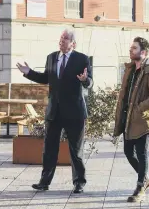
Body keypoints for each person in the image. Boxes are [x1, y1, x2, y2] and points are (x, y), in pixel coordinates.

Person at [16, 29, 92, 193]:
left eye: (65, 38)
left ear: (73, 43)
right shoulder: (51, 57)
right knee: (49, 149)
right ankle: (44, 181)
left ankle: (79, 182)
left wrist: (85, 80)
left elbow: (89, 82)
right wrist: (29, 73)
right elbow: (46, 78)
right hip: (54, 111)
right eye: (61, 38)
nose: (62, 40)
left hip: (74, 112)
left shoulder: (82, 59)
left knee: (76, 150)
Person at [113, 37, 149, 202]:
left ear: (144, 52)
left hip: (142, 120)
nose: (130, 50)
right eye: (131, 48)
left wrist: (139, 108)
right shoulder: (130, 69)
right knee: (128, 152)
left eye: (134, 48)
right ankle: (146, 179)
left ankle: (140, 187)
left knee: (141, 153)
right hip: (129, 119)